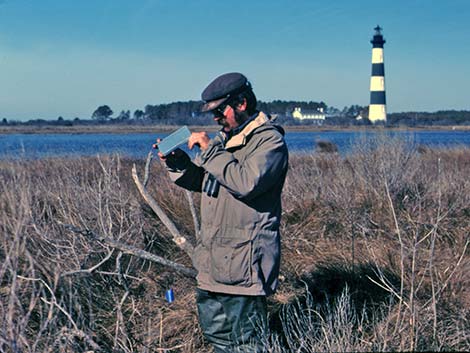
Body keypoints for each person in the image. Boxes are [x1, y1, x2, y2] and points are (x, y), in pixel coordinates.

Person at [156, 72, 289, 352]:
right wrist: (179, 163)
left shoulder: (269, 142)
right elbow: (208, 183)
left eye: (219, 111)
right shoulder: (226, 139)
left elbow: (245, 182)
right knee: (218, 340)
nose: (215, 118)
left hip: (244, 268)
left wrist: (209, 149)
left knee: (248, 345)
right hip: (212, 265)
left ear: (241, 103)